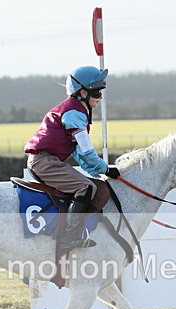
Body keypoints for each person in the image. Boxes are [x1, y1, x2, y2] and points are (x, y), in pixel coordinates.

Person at [24, 65, 120, 250]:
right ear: (83, 93)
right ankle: (67, 239)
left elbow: (78, 153)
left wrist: (99, 171)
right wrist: (104, 168)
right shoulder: (74, 114)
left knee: (91, 184)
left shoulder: (75, 111)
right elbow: (86, 151)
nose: (101, 97)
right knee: (86, 187)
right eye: (97, 92)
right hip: (44, 162)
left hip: (48, 160)